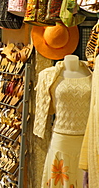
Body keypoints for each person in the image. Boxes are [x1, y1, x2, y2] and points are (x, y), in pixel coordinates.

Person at [34, 55, 92, 187]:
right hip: (61, 140)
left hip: (86, 139)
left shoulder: (93, 73)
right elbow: (47, 109)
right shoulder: (49, 75)